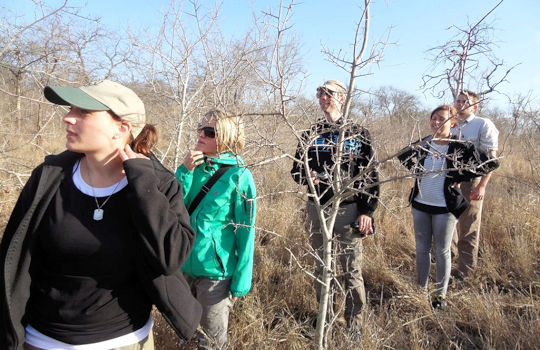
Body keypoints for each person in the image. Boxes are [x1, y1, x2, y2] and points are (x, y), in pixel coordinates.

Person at [0, 80, 202, 350]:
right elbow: (12, 259)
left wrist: (141, 181)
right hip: (40, 341)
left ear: (122, 128)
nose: (68, 117)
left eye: (83, 112)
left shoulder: (160, 185)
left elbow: (170, 256)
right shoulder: (48, 178)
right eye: (71, 109)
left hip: (124, 342)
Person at [290, 80, 379, 331]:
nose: (323, 98)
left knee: (351, 270)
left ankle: (354, 327)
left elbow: (370, 176)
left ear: (342, 97)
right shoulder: (311, 133)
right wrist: (310, 177)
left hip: (349, 209)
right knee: (322, 266)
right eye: (320, 93)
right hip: (317, 207)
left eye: (328, 93)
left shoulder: (357, 132)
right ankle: (326, 321)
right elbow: (296, 172)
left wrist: (366, 211)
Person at [398, 105, 499, 309]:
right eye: (433, 118)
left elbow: (491, 163)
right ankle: (420, 290)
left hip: (445, 207)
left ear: (453, 122)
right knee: (421, 249)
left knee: (442, 250)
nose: (436, 122)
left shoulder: (459, 146)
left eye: (442, 119)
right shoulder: (426, 143)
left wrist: (461, 177)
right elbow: (404, 155)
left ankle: (440, 296)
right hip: (420, 204)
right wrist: (417, 169)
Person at [176, 109, 256, 350]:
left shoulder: (240, 176)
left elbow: (246, 231)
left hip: (215, 274)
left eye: (209, 131)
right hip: (182, 265)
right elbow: (172, 208)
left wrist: (241, 281)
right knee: (184, 333)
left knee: (210, 341)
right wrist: (184, 171)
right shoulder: (192, 166)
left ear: (227, 137)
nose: (200, 134)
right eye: (200, 128)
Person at [452, 90, 499, 279]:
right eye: (458, 100)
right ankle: (450, 263)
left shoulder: (483, 124)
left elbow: (491, 159)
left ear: (475, 106)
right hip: (451, 181)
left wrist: (482, 186)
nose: (461, 104)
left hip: (472, 181)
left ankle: (466, 273)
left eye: (465, 101)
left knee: (468, 227)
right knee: (448, 224)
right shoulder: (452, 125)